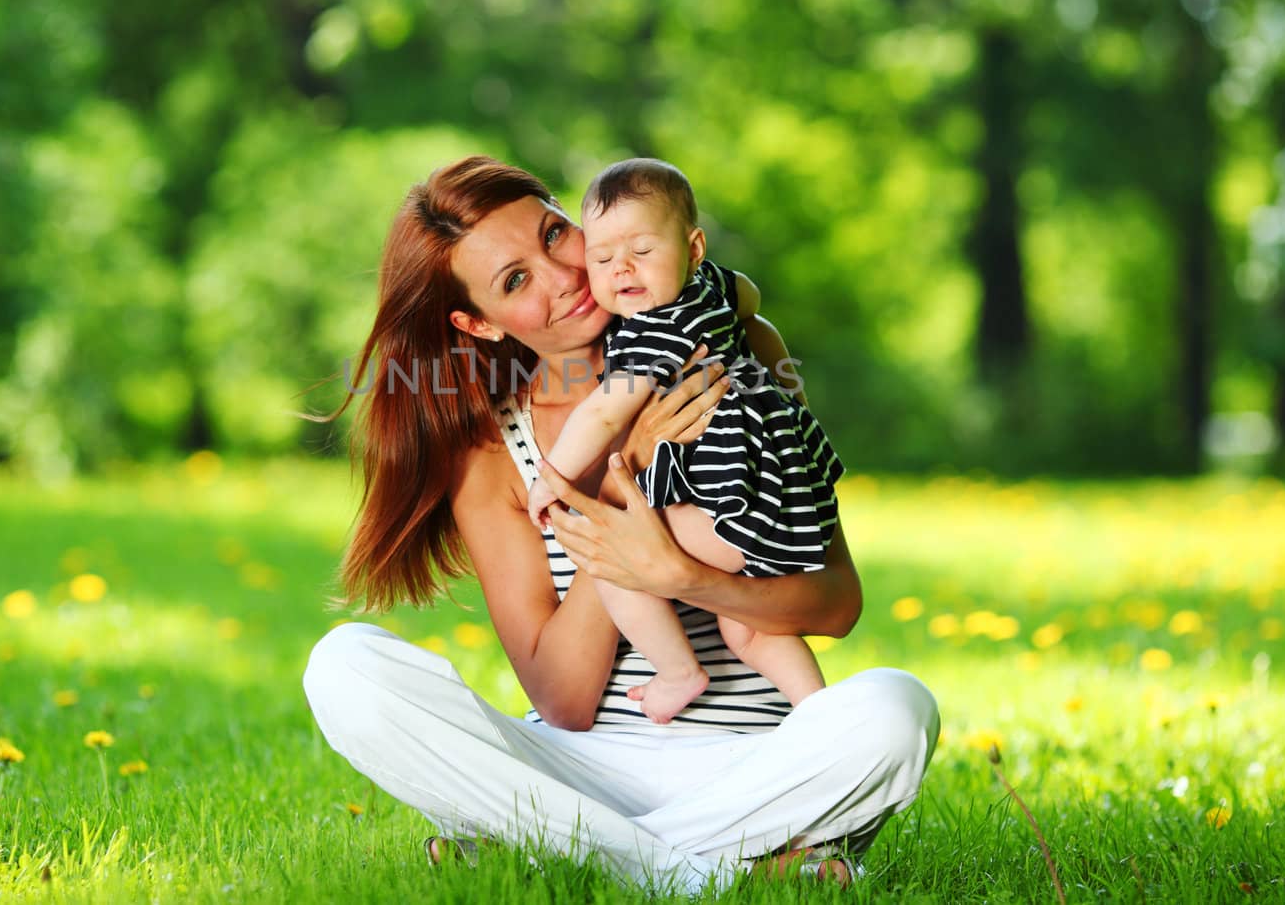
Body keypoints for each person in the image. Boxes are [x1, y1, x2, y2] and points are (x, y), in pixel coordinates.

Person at [302, 155, 938, 893]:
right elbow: (565, 699)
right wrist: (619, 476)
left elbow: (835, 600)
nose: (563, 276)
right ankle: (706, 869)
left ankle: (566, 851)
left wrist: (687, 577)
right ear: (479, 323)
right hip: (584, 769)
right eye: (515, 281)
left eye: (554, 234)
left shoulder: (730, 343)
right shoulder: (494, 455)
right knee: (345, 667)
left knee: (897, 708)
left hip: (753, 765)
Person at [525, 159, 834, 724]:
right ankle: (821, 718)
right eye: (603, 258)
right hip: (782, 496)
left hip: (732, 507)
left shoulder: (657, 327)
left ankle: (678, 671)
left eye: (642, 252)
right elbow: (750, 293)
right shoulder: (708, 288)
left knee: (616, 559)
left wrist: (552, 479)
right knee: (750, 633)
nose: (622, 269)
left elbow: (601, 413)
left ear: (692, 248)